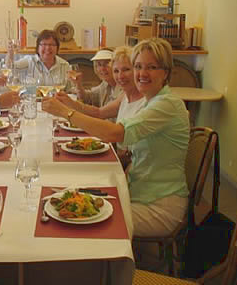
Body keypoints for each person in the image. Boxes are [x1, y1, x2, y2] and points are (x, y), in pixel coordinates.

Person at [42, 38, 189, 238]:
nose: (142, 74)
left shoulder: (167, 104)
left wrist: (65, 112)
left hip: (159, 204)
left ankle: (110, 267)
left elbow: (116, 133)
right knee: (70, 199)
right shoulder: (149, 100)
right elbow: (108, 123)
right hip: (136, 191)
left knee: (84, 223)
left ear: (166, 72)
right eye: (138, 66)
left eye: (151, 67)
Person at [55, 46, 145, 167]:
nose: (120, 76)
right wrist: (69, 102)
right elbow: (98, 112)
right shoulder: (123, 95)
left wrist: (65, 111)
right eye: (116, 71)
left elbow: (116, 135)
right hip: (117, 153)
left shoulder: (148, 101)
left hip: (130, 163)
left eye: (126, 70)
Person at [5, 30, 71, 92]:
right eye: (44, 44)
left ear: (57, 48)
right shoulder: (29, 61)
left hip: (57, 102)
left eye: (52, 45)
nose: (48, 48)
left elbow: (70, 90)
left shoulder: (65, 65)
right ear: (38, 47)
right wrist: (10, 53)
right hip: (32, 102)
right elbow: (10, 67)